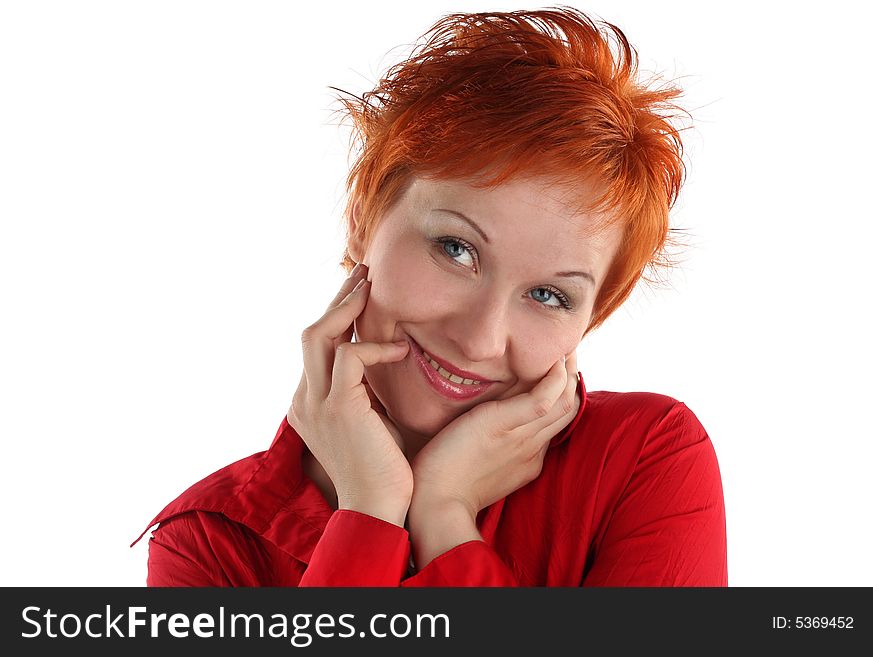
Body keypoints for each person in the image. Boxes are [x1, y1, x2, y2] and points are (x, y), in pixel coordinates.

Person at [131, 7, 727, 586]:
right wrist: (370, 510)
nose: (479, 338)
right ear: (363, 219)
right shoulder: (210, 546)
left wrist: (444, 515)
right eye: (455, 249)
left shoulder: (644, 460)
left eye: (547, 294)